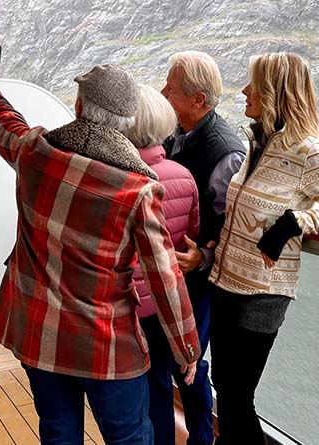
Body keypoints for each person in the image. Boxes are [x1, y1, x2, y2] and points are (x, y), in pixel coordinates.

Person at [0, 39, 200, 445]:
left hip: (41, 333)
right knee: (128, 437)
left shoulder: (34, 151)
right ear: (126, 123)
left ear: (80, 106)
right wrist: (186, 348)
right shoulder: (138, 189)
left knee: (58, 431)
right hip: (106, 344)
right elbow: (166, 277)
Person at [208, 52, 319, 444]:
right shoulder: (258, 141)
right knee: (223, 388)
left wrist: (296, 222)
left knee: (238, 396)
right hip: (225, 282)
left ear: (275, 92)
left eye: (253, 84)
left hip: (263, 292)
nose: (244, 91)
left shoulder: (306, 151)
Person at [158, 50, 246, 445]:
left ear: (198, 100)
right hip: (166, 274)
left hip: (197, 281)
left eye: (171, 88)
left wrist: (203, 257)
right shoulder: (174, 133)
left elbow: (236, 229)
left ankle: (200, 438)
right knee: (168, 359)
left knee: (188, 362)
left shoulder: (226, 152)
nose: (163, 92)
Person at [125, 84, 202, 443]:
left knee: (126, 399)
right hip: (162, 306)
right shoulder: (183, 176)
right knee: (159, 390)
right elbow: (190, 234)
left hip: (122, 307)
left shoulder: (112, 174)